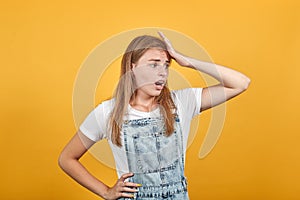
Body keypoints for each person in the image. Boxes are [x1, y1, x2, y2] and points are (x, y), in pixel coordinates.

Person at [58, 31, 251, 200]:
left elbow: (240, 83)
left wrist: (187, 61)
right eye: (153, 65)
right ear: (132, 67)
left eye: (166, 65)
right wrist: (106, 191)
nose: (162, 73)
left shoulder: (181, 102)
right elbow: (67, 158)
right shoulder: (107, 112)